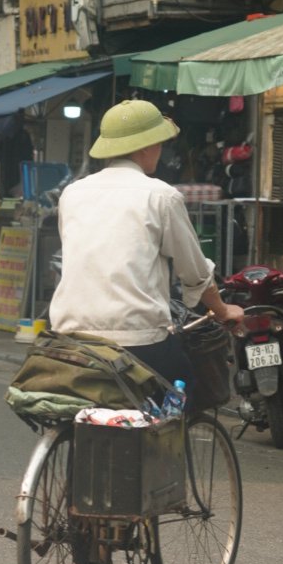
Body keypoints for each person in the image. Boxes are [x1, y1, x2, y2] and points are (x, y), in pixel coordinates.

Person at [49, 99, 246, 395]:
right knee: (189, 388)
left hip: (71, 333)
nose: (161, 150)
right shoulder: (160, 195)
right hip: (137, 338)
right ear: (144, 146)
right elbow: (193, 271)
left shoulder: (73, 193)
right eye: (159, 143)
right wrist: (220, 309)